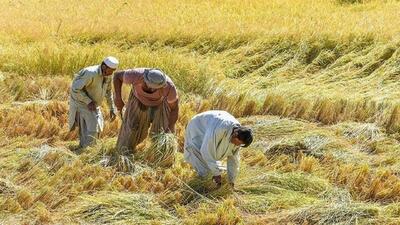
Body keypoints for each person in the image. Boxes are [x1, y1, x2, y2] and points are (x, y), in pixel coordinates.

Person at [113, 68, 179, 155]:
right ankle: (124, 152)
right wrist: (118, 98)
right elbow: (117, 76)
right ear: (145, 80)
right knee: (131, 128)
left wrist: (169, 128)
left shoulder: (169, 87)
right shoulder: (135, 75)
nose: (151, 90)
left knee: (162, 133)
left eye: (155, 88)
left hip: (160, 104)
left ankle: (160, 157)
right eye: (149, 86)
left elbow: (174, 109)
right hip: (138, 100)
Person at [184, 110, 253, 187]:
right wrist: (216, 174)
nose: (237, 145)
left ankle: (213, 174)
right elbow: (206, 152)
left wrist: (231, 180)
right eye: (238, 143)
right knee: (204, 170)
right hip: (198, 128)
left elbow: (234, 159)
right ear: (235, 134)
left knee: (215, 168)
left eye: (240, 144)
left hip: (211, 126)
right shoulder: (219, 129)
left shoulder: (240, 134)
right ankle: (201, 187)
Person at [68, 56, 119, 148]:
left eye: (113, 71)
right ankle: (86, 151)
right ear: (104, 67)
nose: (111, 73)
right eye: (110, 70)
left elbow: (109, 92)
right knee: (92, 130)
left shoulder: (108, 75)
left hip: (94, 105)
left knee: (98, 128)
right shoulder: (90, 73)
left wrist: (112, 108)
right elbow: (75, 89)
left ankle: (87, 149)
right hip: (82, 104)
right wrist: (88, 101)